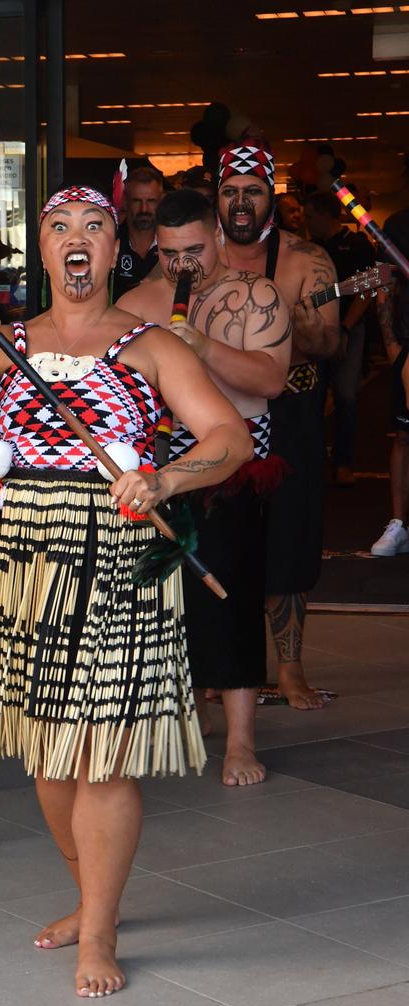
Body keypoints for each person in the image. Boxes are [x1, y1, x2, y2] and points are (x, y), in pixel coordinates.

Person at [0, 184, 252, 997]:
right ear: (45, 250)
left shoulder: (151, 345)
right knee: (48, 752)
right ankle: (92, 900)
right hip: (22, 559)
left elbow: (227, 437)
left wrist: (164, 477)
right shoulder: (5, 340)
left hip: (117, 557)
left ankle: (98, 931)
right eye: (61, 228)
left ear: (117, 248)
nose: (77, 239)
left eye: (95, 226)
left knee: (101, 757)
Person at [118, 189, 291, 786]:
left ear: (217, 235)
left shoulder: (257, 295)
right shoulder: (136, 302)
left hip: (234, 468)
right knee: (159, 603)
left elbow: (271, 379)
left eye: (194, 249)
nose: (183, 265)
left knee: (232, 599)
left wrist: (201, 347)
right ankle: (182, 713)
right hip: (157, 469)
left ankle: (241, 740)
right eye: (170, 253)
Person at [217, 140, 340, 712]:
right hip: (217, 412)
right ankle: (219, 665)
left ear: (272, 197)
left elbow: (328, 342)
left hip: (289, 413)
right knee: (220, 539)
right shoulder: (199, 255)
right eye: (231, 191)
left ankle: (289, 668)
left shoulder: (305, 260)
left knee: (289, 537)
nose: (241, 203)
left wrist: (284, 317)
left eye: (254, 192)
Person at [303, 191, 375, 486]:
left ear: (324, 214)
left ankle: (343, 461)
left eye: (309, 216)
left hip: (348, 327)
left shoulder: (357, 245)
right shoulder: (308, 248)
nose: (305, 222)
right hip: (312, 329)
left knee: (345, 395)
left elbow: (367, 289)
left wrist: (345, 328)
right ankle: (314, 461)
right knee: (313, 397)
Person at [372, 199, 409, 556]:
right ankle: (400, 523)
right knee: (403, 435)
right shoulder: (398, 224)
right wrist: (392, 345)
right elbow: (383, 282)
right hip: (408, 346)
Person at [112, 166, 164, 299]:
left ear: (161, 202)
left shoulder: (173, 243)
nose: (144, 209)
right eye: (137, 201)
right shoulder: (110, 242)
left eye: (151, 201)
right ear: (125, 202)